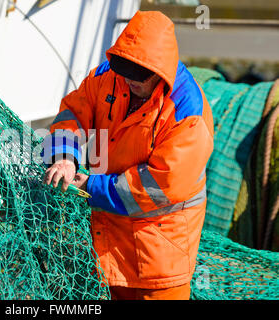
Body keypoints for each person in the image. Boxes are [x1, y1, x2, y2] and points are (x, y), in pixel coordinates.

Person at [41, 10, 214, 300]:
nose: (132, 82)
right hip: (106, 249)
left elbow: (160, 185)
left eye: (140, 77)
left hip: (159, 262)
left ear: (160, 73)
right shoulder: (106, 77)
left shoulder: (188, 113)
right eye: (126, 71)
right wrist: (64, 157)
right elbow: (71, 113)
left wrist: (90, 187)